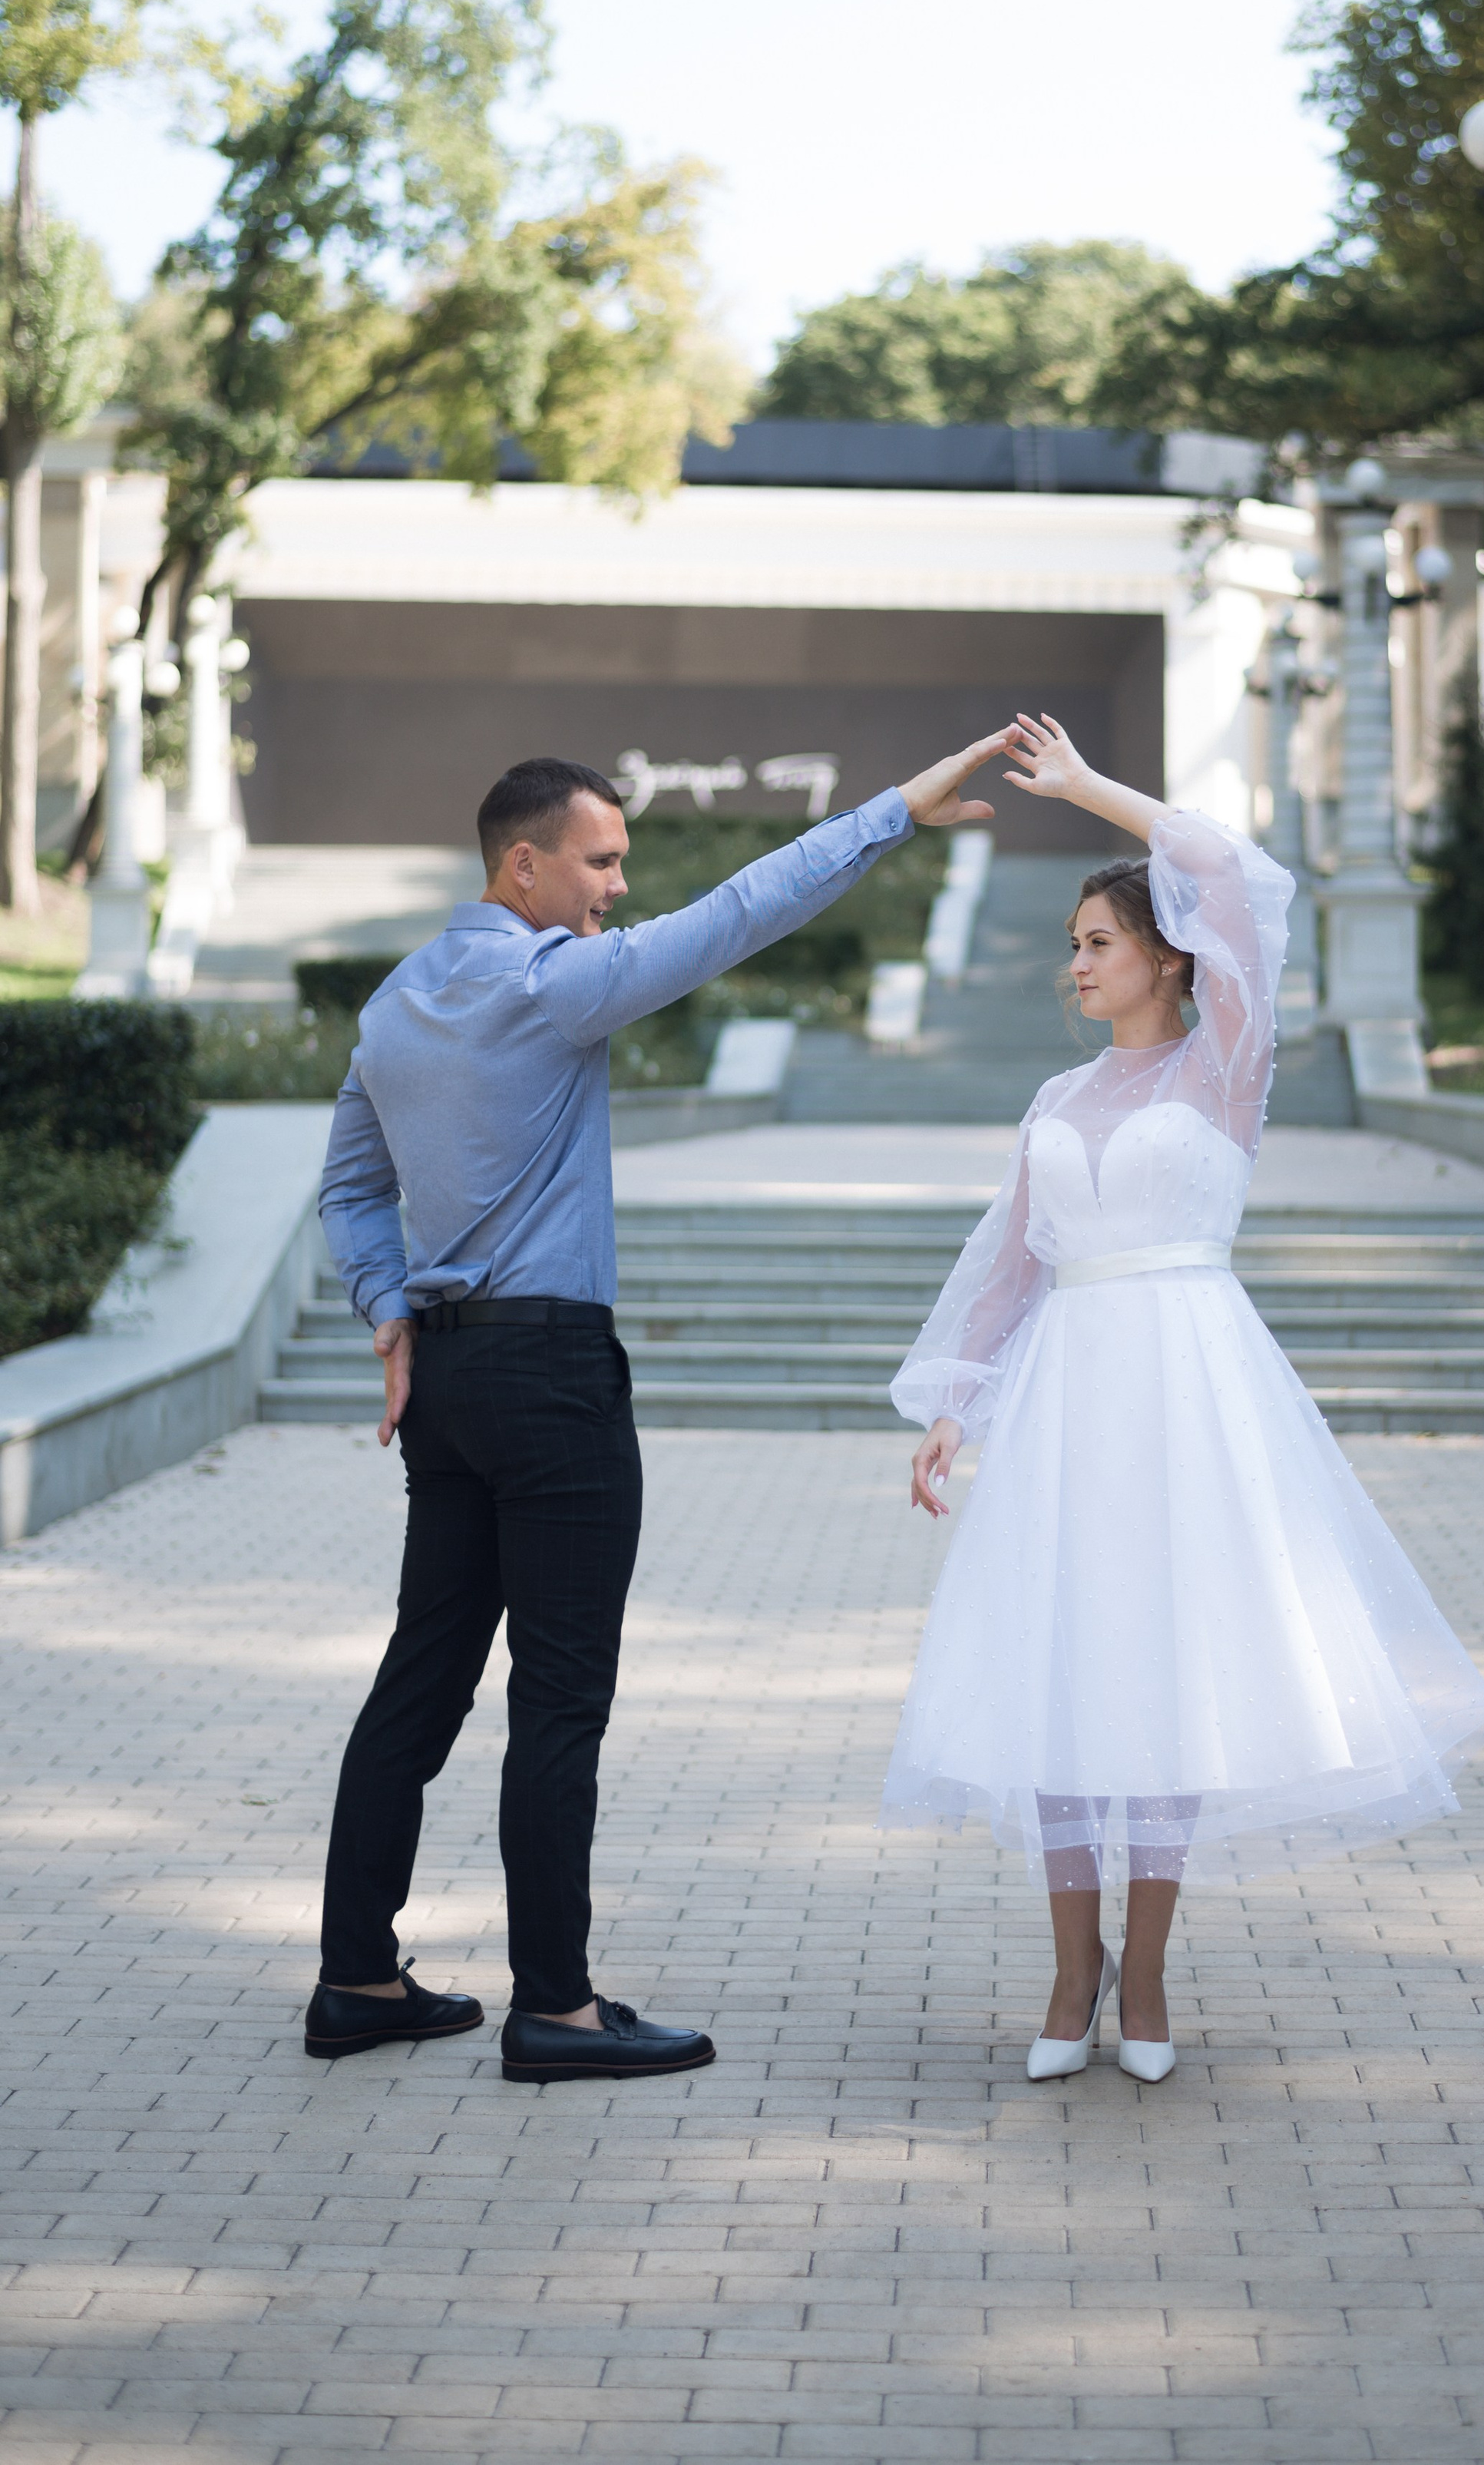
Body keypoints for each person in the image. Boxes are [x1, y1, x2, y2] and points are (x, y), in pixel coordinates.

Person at [307, 736, 1010, 2085]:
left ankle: (355, 1977)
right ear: (526, 864)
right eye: (602, 858)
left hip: (450, 1384)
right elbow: (742, 910)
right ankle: (556, 2010)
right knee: (559, 1702)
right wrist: (896, 813)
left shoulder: (397, 1000)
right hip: (553, 1378)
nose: (620, 885)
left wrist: (391, 1315)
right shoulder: (551, 983)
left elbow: (348, 1183)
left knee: (421, 1679)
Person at [884, 713, 1484, 2083]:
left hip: (1190, 1395)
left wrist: (1092, 790)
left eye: (1097, 942)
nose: (1076, 964)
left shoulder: (1224, 1070)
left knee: (1162, 1672)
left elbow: (1231, 871)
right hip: (1067, 1406)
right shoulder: (1058, 1094)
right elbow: (1007, 1267)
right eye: (1073, 945)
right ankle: (1068, 1968)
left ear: (1168, 956)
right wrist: (954, 1408)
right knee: (1060, 1664)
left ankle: (1146, 1970)